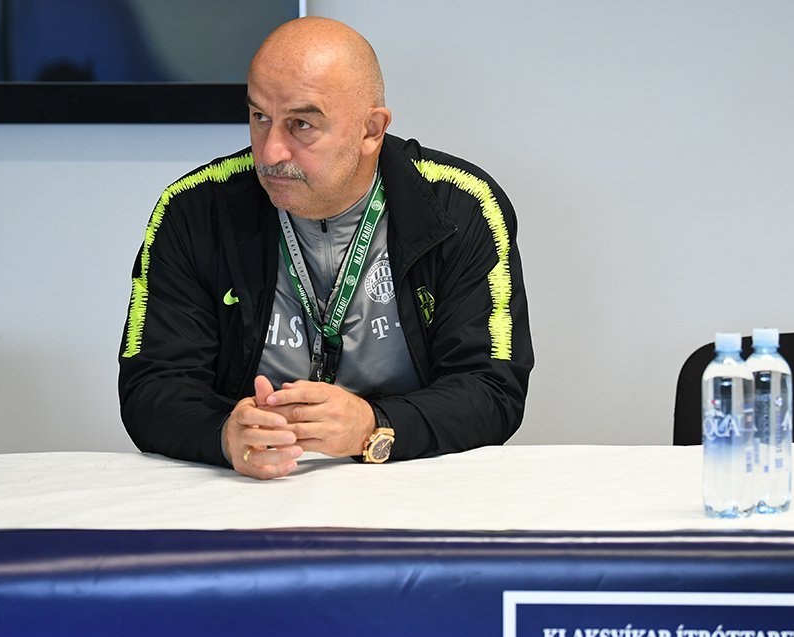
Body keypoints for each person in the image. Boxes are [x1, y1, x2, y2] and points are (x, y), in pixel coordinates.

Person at [118, 16, 532, 479]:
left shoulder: (464, 207)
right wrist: (222, 435)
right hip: (254, 489)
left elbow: (493, 390)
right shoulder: (192, 210)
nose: (270, 152)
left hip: (406, 481)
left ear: (371, 130)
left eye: (301, 124)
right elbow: (150, 387)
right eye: (260, 118)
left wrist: (374, 426)